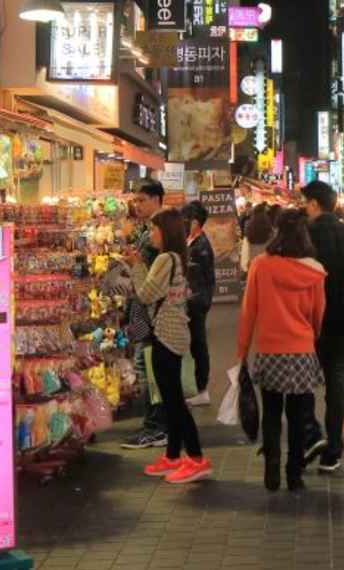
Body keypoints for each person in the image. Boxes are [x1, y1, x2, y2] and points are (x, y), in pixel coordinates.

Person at [237, 209, 327, 492]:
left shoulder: (260, 266)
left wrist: (242, 352)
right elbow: (317, 315)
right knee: (299, 416)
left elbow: (249, 311)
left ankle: (271, 472)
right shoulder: (314, 271)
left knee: (272, 413)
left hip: (269, 350)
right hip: (301, 350)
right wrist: (311, 337)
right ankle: (294, 474)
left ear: (276, 232)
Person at [137, 208, 212, 483]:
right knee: (172, 399)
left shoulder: (164, 259)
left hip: (166, 335)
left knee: (174, 402)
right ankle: (172, 456)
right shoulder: (177, 257)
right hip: (175, 333)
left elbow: (145, 294)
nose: (150, 234)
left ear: (165, 231)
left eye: (154, 229)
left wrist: (134, 267)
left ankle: (196, 457)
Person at [301, 180, 344, 473]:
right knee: (337, 386)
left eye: (306, 204)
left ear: (314, 204)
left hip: (310, 324)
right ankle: (333, 452)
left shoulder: (305, 235)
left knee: (299, 382)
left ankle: (312, 434)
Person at [122, 180, 170, 450]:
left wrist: (134, 262)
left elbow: (150, 282)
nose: (137, 206)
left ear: (156, 199)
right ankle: (155, 426)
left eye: (141, 200)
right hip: (147, 313)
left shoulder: (158, 233)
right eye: (135, 201)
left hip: (152, 315)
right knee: (148, 369)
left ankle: (156, 428)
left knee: (149, 370)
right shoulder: (150, 230)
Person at [182, 201, 215, 406]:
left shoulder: (199, 246)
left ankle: (201, 389)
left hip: (195, 302)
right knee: (195, 344)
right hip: (194, 300)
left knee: (198, 344)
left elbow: (195, 278)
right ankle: (196, 387)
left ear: (195, 222)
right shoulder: (192, 241)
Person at [240, 204, 275, 280]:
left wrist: (246, 268)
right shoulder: (271, 234)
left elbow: (245, 257)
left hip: (253, 270)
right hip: (269, 270)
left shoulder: (249, 234)